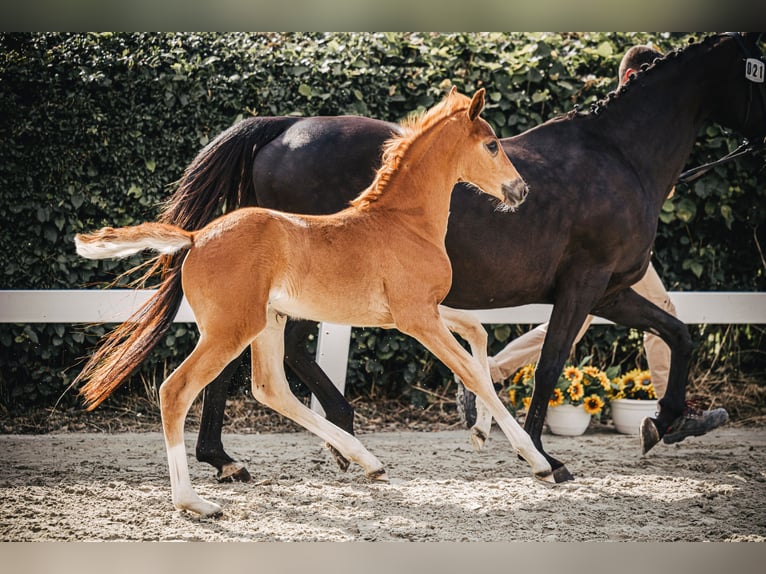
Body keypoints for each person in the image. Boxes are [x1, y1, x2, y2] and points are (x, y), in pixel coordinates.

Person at [484, 44, 728, 445]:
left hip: (610, 246)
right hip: (608, 248)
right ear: (635, 78)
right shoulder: (627, 126)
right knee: (661, 313)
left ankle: (490, 372)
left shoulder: (618, 123)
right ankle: (673, 409)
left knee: (574, 325)